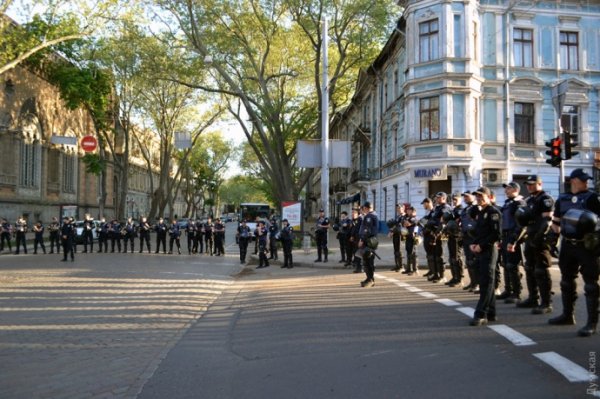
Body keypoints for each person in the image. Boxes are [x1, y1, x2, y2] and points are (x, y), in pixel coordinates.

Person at [548, 169, 600, 337]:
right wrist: (552, 240)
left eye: (587, 180)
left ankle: (591, 323)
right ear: (573, 180)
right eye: (582, 179)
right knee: (566, 281)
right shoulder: (562, 199)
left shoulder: (593, 198)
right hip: (568, 245)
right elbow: (556, 222)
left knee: (591, 284)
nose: (586, 182)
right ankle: (567, 315)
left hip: (586, 246)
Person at [518, 175, 554, 315]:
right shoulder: (530, 200)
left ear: (540, 184)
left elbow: (547, 220)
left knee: (541, 270)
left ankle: (546, 303)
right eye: (528, 184)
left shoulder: (545, 199)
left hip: (540, 238)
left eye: (533, 184)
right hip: (530, 236)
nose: (529, 186)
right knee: (529, 267)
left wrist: (539, 237)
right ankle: (533, 298)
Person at [469, 187, 502, 326]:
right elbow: (479, 232)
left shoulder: (493, 212)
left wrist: (481, 245)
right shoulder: (482, 212)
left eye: (481, 196)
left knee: (486, 283)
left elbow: (496, 234)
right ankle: (491, 313)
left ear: (489, 197)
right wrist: (474, 243)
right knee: (486, 281)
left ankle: (481, 313)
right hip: (481, 248)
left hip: (489, 249)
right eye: (477, 196)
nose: (478, 198)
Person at [500, 182, 527, 304]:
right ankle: (508, 290)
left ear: (515, 189)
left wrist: (514, 240)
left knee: (512, 265)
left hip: (513, 236)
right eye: (506, 189)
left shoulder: (519, 203)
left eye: (508, 188)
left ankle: (516, 293)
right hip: (505, 236)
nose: (506, 190)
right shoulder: (507, 203)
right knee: (506, 264)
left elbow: (520, 224)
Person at [430, 192, 452, 283]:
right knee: (435, 254)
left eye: (439, 198)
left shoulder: (446, 207)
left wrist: (438, 232)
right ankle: (436, 274)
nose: (437, 199)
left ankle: (442, 276)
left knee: (440, 255)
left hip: (442, 233)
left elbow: (443, 221)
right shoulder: (437, 208)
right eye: (436, 198)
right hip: (435, 232)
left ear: (443, 198)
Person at [460, 192, 479, 292]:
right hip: (466, 236)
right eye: (464, 197)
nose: (465, 198)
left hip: (474, 237)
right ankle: (472, 282)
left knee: (474, 261)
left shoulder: (476, 208)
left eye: (467, 196)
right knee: (469, 261)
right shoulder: (465, 209)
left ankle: (477, 283)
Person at [358, 201, 379, 287]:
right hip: (371, 240)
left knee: (368, 260)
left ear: (366, 208)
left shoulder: (369, 217)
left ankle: (370, 279)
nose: (363, 210)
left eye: (363, 208)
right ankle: (369, 278)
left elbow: (367, 230)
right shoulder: (373, 216)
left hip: (368, 241)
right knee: (367, 260)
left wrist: (362, 240)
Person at [446, 194, 464, 287]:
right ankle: (454, 277)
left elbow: (459, 219)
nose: (454, 201)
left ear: (460, 200)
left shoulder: (460, 209)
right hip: (451, 235)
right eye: (453, 200)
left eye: (456, 200)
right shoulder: (454, 209)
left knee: (457, 257)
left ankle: (459, 278)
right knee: (452, 258)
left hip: (457, 236)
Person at [420, 197, 436, 280]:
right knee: (428, 254)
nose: (423, 205)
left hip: (431, 235)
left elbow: (432, 224)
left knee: (432, 254)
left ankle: (434, 272)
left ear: (428, 203)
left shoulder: (434, 212)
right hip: (426, 235)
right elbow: (424, 223)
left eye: (424, 204)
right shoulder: (427, 212)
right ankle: (431, 270)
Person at [389, 204, 406, 272]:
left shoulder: (404, 216)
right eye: (398, 208)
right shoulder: (398, 216)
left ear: (403, 208)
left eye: (400, 208)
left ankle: (401, 266)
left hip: (400, 235)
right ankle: (397, 265)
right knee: (396, 250)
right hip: (395, 235)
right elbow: (394, 225)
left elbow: (400, 226)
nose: (398, 210)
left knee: (399, 251)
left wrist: (393, 231)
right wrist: (391, 231)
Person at [404, 206, 419, 275]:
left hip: (413, 237)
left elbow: (408, 223)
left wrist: (407, 223)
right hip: (408, 236)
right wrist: (406, 223)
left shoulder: (415, 218)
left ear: (413, 212)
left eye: (409, 210)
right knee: (408, 252)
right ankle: (408, 269)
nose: (407, 211)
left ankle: (415, 269)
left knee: (413, 253)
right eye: (407, 210)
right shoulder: (407, 218)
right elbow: (404, 223)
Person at [350, 207, 363, 273]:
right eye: (352, 212)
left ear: (358, 213)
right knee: (355, 252)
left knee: (358, 253)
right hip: (355, 239)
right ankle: (357, 266)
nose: (352, 214)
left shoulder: (360, 220)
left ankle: (359, 267)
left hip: (359, 239)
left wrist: (361, 239)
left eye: (354, 213)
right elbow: (353, 229)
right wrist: (352, 236)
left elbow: (359, 230)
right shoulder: (354, 220)